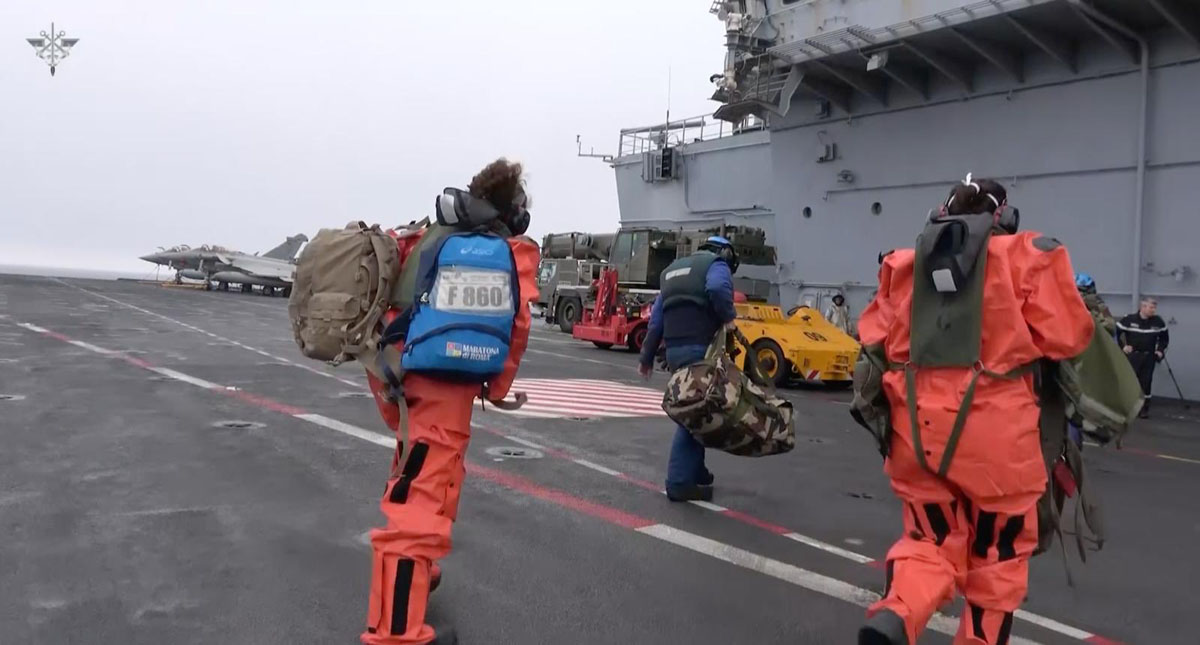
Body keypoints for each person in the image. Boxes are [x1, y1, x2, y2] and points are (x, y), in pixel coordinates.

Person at [856, 176, 1093, 645]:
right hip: (997, 448)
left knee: (929, 542)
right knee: (998, 560)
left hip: (916, 437)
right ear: (1003, 216)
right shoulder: (1030, 257)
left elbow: (873, 336)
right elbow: (1069, 336)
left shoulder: (901, 266)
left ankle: (897, 614)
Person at [361, 159, 539, 645]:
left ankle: (418, 572)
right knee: (422, 498)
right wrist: (499, 390)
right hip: (443, 387)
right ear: (511, 209)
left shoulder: (429, 234)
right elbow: (516, 327)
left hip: (396, 374)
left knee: (412, 476)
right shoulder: (503, 250)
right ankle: (397, 631)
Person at [637, 236, 739, 502]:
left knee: (697, 407)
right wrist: (728, 318)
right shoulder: (716, 265)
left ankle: (697, 471)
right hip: (701, 349)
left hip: (675, 352)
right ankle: (679, 482)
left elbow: (656, 320)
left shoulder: (671, 272)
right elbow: (718, 288)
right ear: (724, 252)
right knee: (694, 414)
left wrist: (646, 358)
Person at [1117, 297, 1169, 419]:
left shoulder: (1158, 322)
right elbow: (1115, 334)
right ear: (1142, 307)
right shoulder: (1128, 320)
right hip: (1133, 356)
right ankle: (1127, 408)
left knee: (1146, 383)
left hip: (1149, 357)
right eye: (1151, 307)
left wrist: (1160, 350)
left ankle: (1144, 409)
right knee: (1129, 382)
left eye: (1154, 308)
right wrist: (1123, 346)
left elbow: (1164, 339)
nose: (1153, 310)